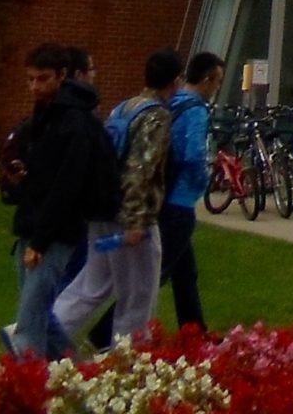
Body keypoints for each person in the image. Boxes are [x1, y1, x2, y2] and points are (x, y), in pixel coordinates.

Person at [50, 48, 179, 351]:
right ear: (174, 81)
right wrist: (137, 222)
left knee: (92, 283)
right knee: (138, 293)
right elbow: (141, 169)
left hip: (102, 208)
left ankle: (41, 334)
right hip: (131, 217)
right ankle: (126, 360)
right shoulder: (155, 116)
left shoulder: (123, 108)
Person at [0, 41, 115, 360]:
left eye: (43, 78)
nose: (35, 86)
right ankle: (78, 379)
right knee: (41, 317)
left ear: (63, 76)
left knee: (29, 326)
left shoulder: (75, 122)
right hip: (33, 225)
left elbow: (67, 185)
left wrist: (41, 239)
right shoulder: (44, 116)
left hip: (55, 233)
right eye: (31, 79)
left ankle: (31, 393)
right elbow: (45, 176)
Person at [159, 51, 223, 331]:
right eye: (217, 82)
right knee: (157, 273)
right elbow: (193, 154)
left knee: (185, 272)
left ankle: (194, 329)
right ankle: (104, 332)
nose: (216, 88)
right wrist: (204, 179)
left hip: (165, 194)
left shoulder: (171, 103)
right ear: (207, 79)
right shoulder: (196, 109)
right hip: (180, 201)